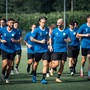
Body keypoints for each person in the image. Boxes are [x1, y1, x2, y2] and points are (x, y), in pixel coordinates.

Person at [49, 18, 70, 82]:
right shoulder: (55, 30)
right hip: (56, 49)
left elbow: (69, 39)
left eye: (59, 23)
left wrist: (67, 40)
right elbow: (50, 38)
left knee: (62, 64)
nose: (58, 24)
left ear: (62, 23)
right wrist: (50, 46)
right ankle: (50, 67)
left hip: (64, 49)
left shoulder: (67, 30)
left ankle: (58, 78)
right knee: (56, 64)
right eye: (57, 23)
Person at [0, 18, 20, 83]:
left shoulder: (16, 31)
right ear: (7, 23)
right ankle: (3, 74)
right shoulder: (2, 29)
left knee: (9, 65)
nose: (12, 24)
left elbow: (19, 40)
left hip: (12, 50)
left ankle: (7, 77)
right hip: (4, 48)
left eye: (12, 23)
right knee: (5, 63)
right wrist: (1, 40)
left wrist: (15, 41)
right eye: (10, 23)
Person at [31, 16, 49, 84]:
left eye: (44, 22)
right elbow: (32, 39)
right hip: (37, 50)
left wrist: (48, 42)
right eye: (42, 22)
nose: (43, 23)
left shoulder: (47, 29)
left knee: (46, 64)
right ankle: (34, 75)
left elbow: (47, 37)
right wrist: (40, 41)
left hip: (45, 50)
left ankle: (43, 79)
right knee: (35, 64)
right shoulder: (36, 30)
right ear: (39, 22)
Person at [76, 14, 90, 79]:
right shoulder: (83, 26)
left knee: (89, 57)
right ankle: (82, 69)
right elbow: (77, 35)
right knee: (84, 60)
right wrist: (85, 35)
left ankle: (89, 72)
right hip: (84, 45)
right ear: (87, 19)